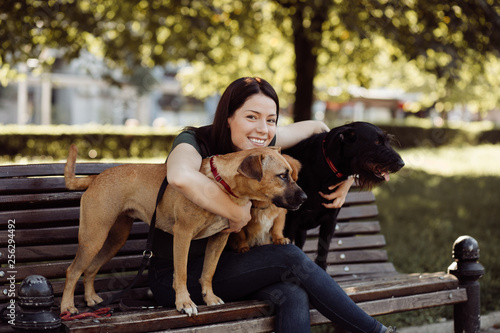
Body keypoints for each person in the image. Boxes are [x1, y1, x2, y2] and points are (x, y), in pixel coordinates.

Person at [148, 77, 394, 333]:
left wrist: (349, 178)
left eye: (271, 120)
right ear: (228, 116)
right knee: (288, 256)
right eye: (251, 117)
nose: (263, 130)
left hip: (231, 265)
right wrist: (236, 212)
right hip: (179, 278)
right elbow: (179, 176)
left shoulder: (262, 145)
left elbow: (321, 128)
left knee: (292, 293)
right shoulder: (194, 141)